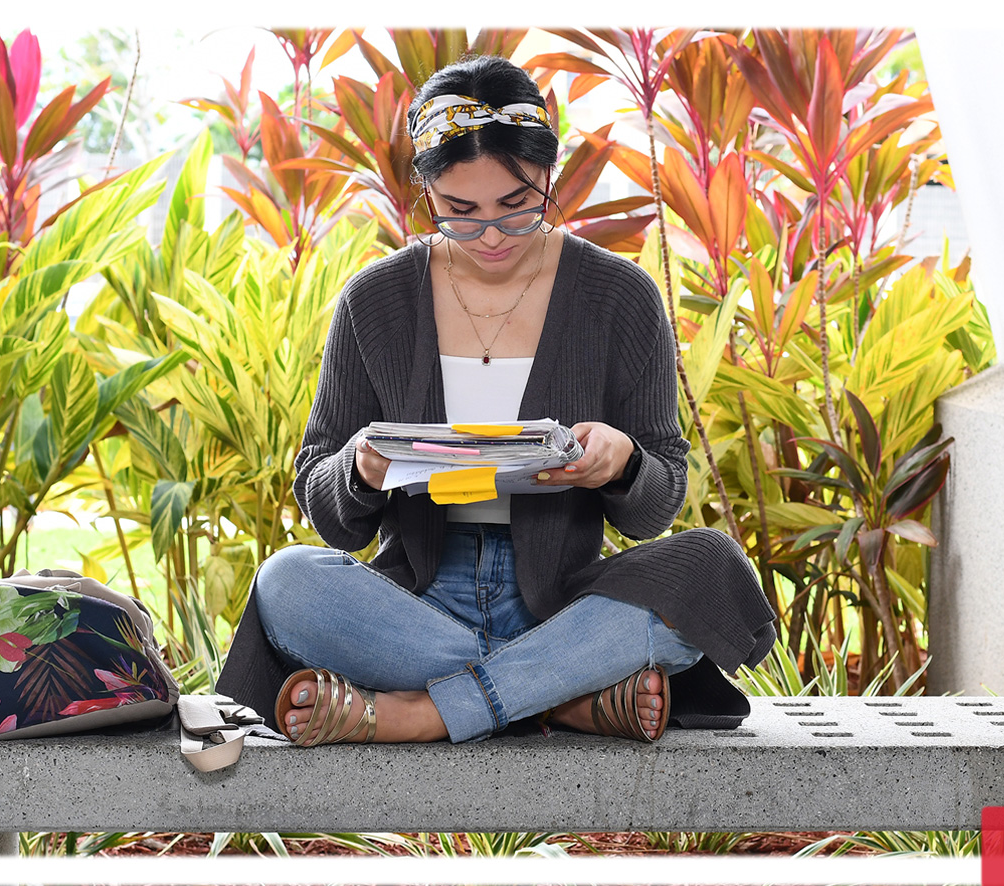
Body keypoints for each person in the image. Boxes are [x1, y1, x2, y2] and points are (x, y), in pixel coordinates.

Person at [214, 55, 776, 747]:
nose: (490, 238)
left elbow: (658, 501)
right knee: (286, 580)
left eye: (518, 208)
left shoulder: (621, 296)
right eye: (460, 213)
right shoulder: (377, 300)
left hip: (567, 603)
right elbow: (325, 502)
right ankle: (558, 697)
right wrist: (358, 470)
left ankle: (422, 712)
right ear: (426, 193)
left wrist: (624, 462)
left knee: (709, 567)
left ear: (549, 175)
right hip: (413, 607)